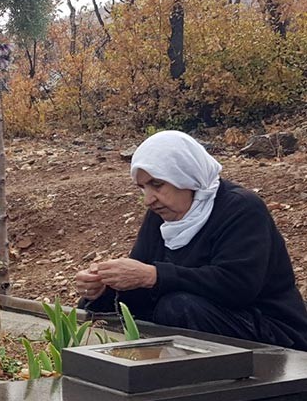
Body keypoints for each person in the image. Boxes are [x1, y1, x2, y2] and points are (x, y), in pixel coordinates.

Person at [75, 130, 307, 350]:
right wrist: (104, 287)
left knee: (178, 308)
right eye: (142, 188)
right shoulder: (161, 216)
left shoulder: (241, 209)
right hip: (204, 318)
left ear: (185, 175)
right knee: (98, 307)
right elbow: (142, 283)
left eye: (157, 184)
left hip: (269, 329)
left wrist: (153, 276)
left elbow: (238, 286)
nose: (148, 199)